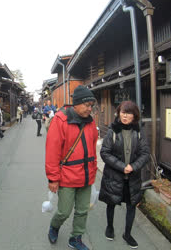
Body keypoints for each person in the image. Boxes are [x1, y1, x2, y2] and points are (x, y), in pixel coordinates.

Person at [45, 85, 98, 250]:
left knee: (83, 210)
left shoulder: (90, 122)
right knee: (64, 211)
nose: (90, 109)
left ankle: (75, 238)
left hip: (86, 175)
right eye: (87, 105)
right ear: (76, 104)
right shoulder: (61, 120)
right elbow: (52, 151)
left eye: (91, 106)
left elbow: (92, 147)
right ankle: (54, 226)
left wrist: (94, 170)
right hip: (67, 174)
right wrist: (53, 178)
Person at [99, 101, 149, 249]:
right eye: (122, 112)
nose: (124, 115)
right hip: (114, 176)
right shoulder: (112, 131)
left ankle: (127, 234)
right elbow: (105, 152)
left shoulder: (139, 132)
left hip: (132, 177)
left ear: (134, 115)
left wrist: (133, 166)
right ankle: (110, 227)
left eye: (128, 113)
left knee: (131, 206)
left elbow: (145, 153)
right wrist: (122, 167)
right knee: (111, 202)